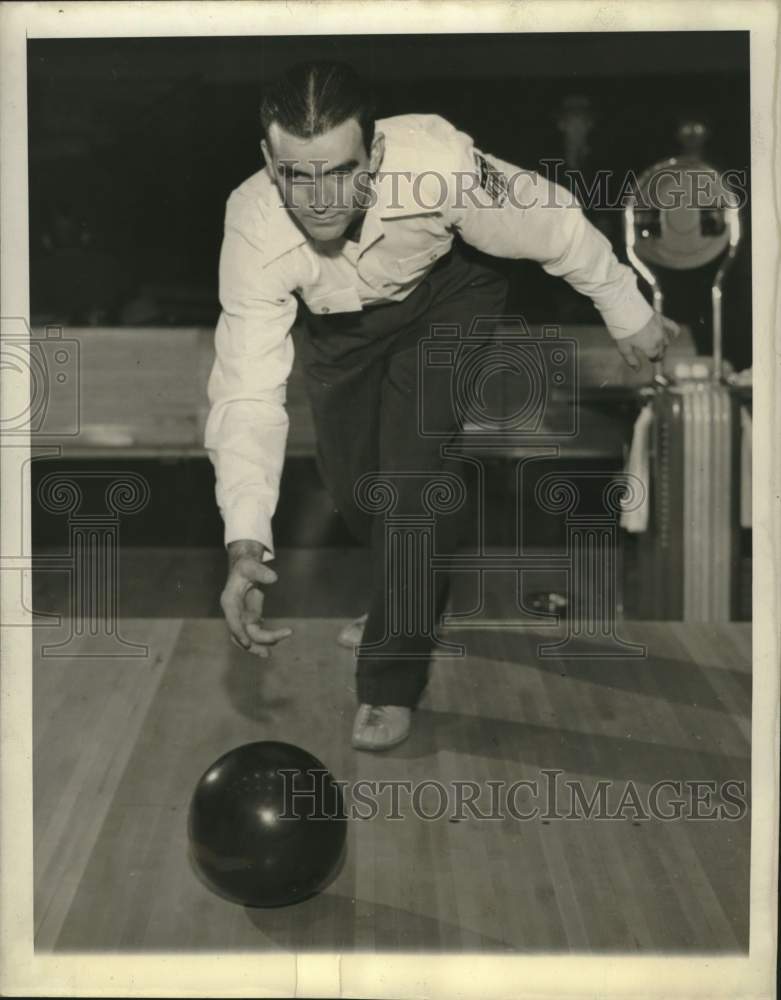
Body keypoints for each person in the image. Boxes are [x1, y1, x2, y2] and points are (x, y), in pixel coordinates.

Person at [205, 61, 677, 752]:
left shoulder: (438, 162)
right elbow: (246, 389)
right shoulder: (252, 229)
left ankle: (390, 678)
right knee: (355, 490)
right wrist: (244, 535)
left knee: (410, 488)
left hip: (446, 299)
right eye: (295, 175)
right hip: (342, 331)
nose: (318, 199)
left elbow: (551, 225)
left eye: (339, 170)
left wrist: (624, 304)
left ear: (378, 153)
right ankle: (410, 593)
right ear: (267, 163)